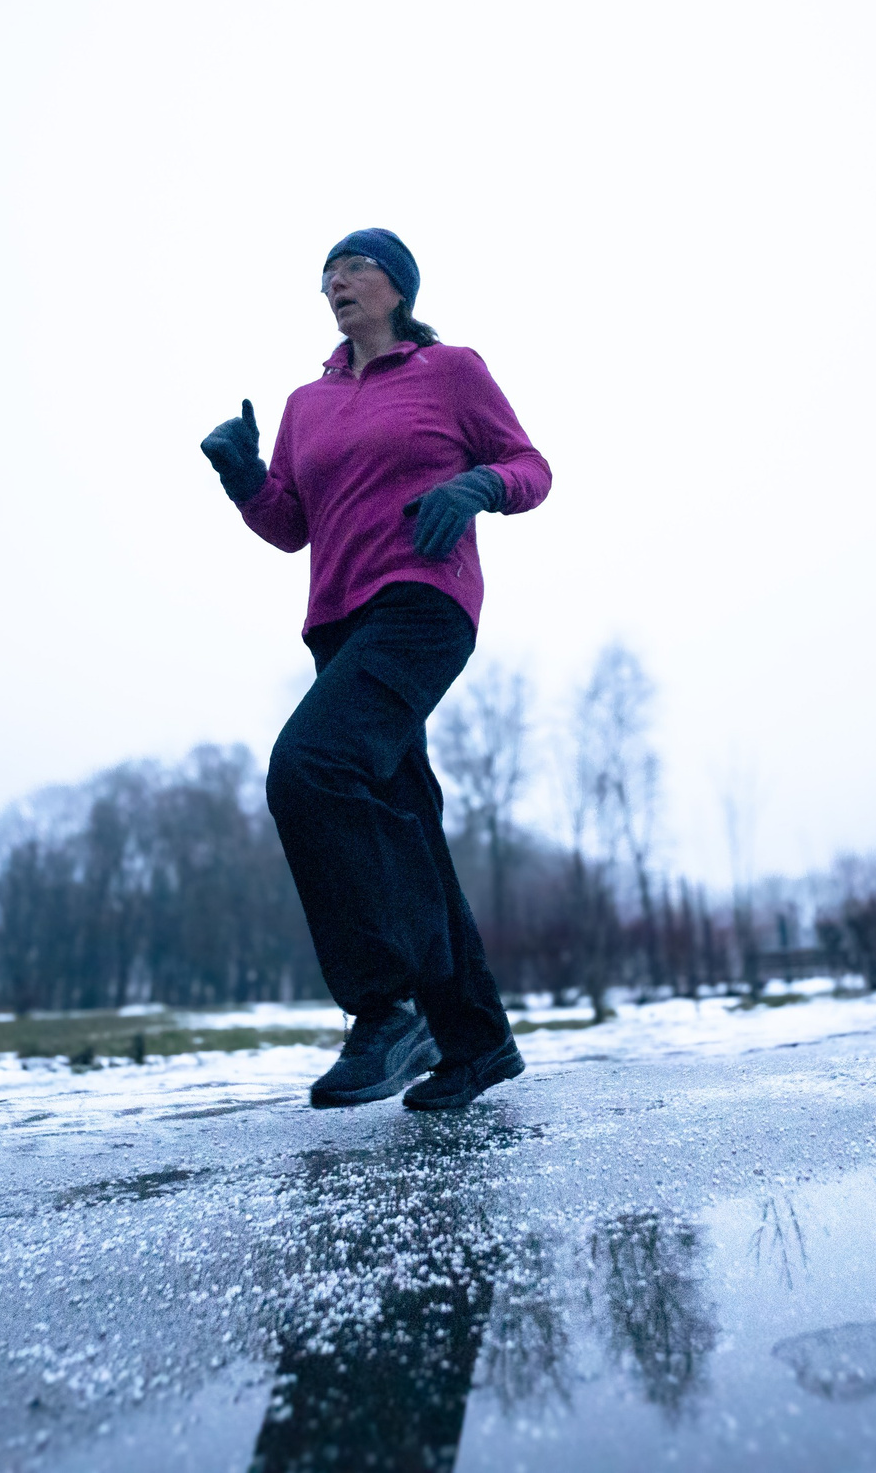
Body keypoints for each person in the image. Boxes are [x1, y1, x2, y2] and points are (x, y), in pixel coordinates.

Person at [199, 228, 551, 1111]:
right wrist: (243, 476)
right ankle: (476, 1042)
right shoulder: (304, 403)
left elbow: (530, 467)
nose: (335, 282)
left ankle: (384, 1006)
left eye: (353, 267)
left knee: (311, 768)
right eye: (327, 273)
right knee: (406, 819)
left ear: (397, 286)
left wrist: (476, 488)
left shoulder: (451, 370)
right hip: (337, 622)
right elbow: (290, 525)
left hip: (426, 604)